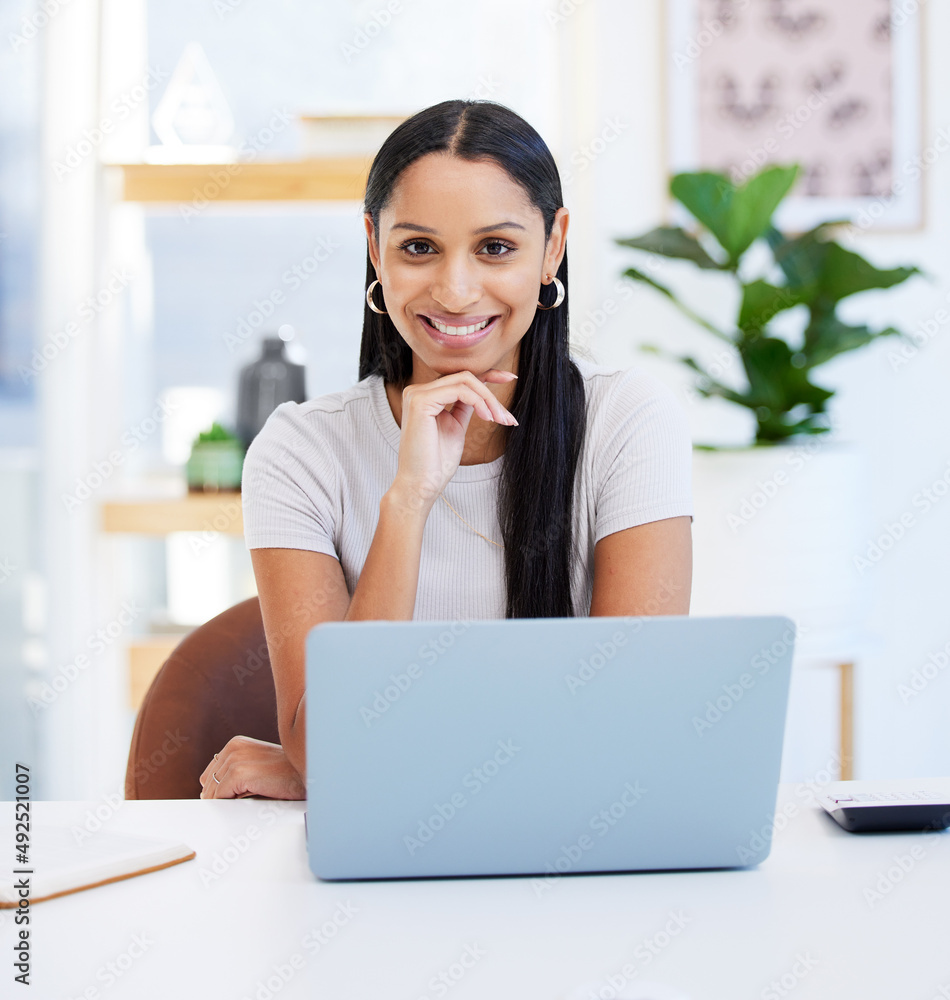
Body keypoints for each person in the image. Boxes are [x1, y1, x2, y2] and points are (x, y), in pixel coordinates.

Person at [199, 99, 693, 801]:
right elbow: (335, 748)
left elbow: (626, 731)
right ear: (375, 246)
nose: (456, 292)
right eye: (419, 247)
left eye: (496, 247)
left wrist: (334, 766)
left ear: (553, 246)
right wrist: (408, 500)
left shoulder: (629, 422)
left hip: (577, 869)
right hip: (371, 879)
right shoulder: (298, 452)